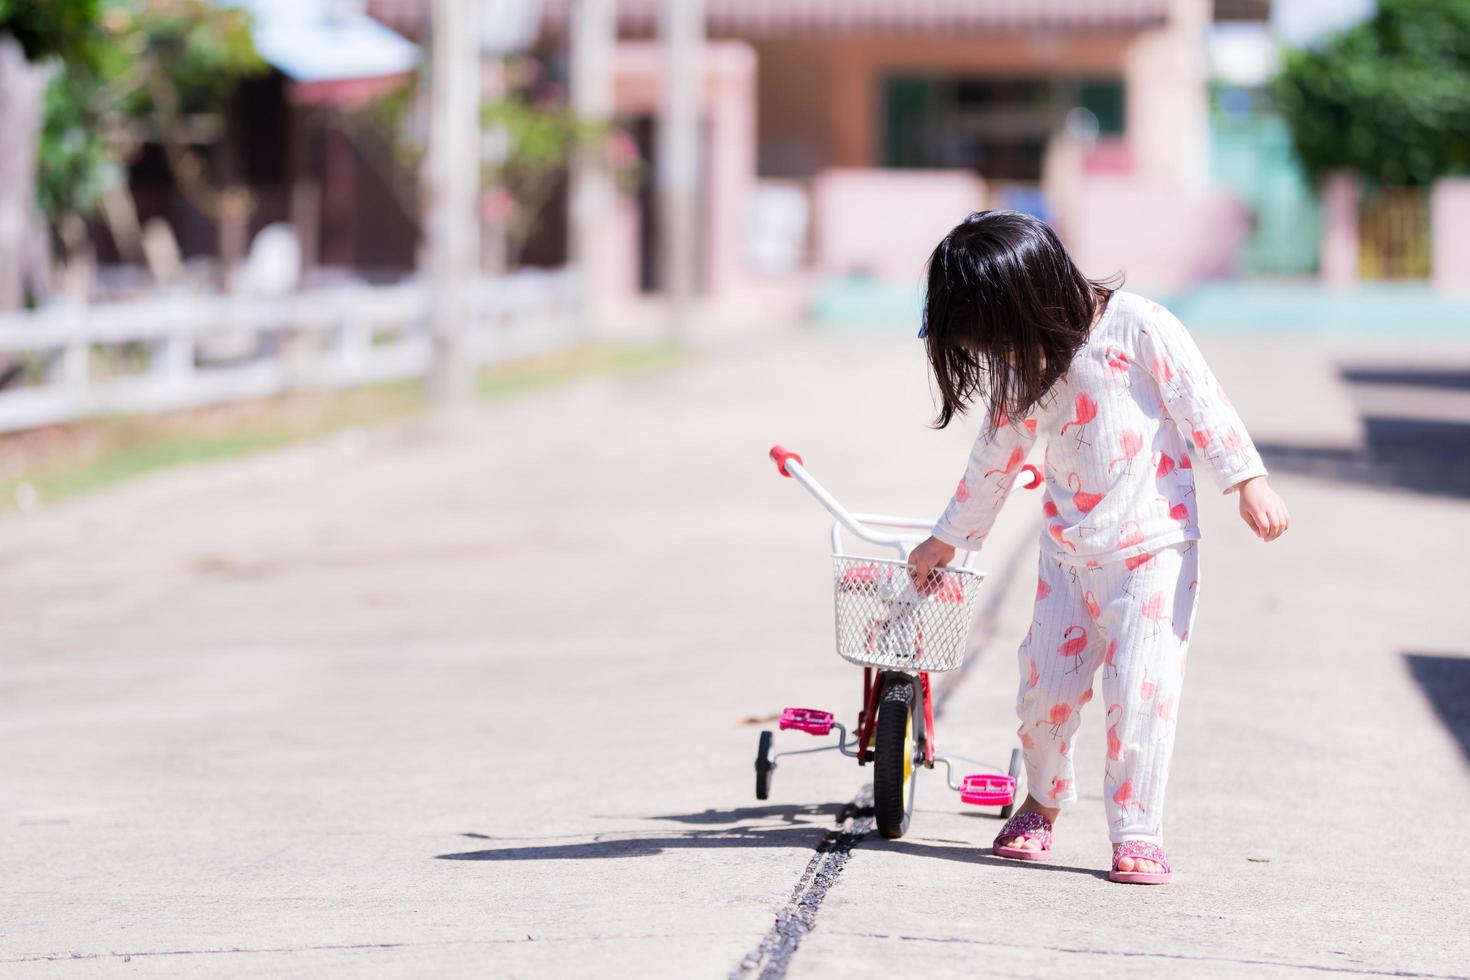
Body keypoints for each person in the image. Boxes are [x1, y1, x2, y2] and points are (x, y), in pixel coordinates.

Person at [906, 211, 1290, 885]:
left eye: (999, 338)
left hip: (1153, 550)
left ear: (1028, 298)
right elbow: (997, 453)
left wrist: (1245, 480)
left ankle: (1138, 830)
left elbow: (1202, 402)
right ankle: (1042, 800)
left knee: (1141, 696)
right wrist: (949, 538)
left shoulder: (1138, 326)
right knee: (1041, 695)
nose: (1003, 356)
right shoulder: (1029, 361)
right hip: (1066, 558)